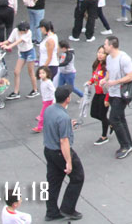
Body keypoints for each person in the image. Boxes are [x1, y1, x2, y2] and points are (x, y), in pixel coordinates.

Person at [42, 86, 85, 222]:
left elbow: (52, 126)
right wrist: (68, 161)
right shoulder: (63, 117)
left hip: (48, 150)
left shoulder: (49, 110)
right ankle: (68, 208)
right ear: (68, 99)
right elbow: (64, 141)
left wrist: (67, 127)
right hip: (60, 152)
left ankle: (52, 211)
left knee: (53, 181)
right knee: (78, 177)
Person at [103, 36, 132, 159]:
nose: (104, 46)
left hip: (121, 94)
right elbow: (109, 72)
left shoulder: (124, 59)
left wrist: (115, 82)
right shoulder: (108, 58)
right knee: (120, 118)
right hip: (112, 92)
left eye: (106, 44)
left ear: (111, 46)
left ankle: (125, 146)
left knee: (114, 119)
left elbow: (131, 76)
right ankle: (128, 144)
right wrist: (105, 80)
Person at [0, 22, 39, 100]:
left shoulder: (28, 33)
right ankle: (16, 92)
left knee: (31, 72)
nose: (26, 32)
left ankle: (35, 90)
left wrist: (8, 47)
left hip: (29, 52)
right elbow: (9, 40)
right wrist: (1, 44)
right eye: (25, 31)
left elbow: (18, 41)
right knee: (16, 71)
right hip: (22, 52)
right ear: (21, 30)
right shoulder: (15, 31)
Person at [84, 45, 111, 145]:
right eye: (99, 52)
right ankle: (110, 123)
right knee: (94, 113)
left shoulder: (107, 67)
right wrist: (90, 82)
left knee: (102, 115)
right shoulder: (96, 64)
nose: (100, 55)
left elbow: (109, 83)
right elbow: (95, 77)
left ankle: (104, 136)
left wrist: (107, 99)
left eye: (103, 53)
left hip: (104, 93)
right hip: (97, 92)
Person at [31, 67, 56, 133]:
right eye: (40, 73)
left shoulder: (48, 82)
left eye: (43, 73)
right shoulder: (42, 81)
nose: (41, 75)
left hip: (49, 101)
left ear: (47, 73)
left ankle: (39, 127)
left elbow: (54, 91)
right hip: (45, 100)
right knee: (49, 114)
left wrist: (53, 101)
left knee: (42, 114)